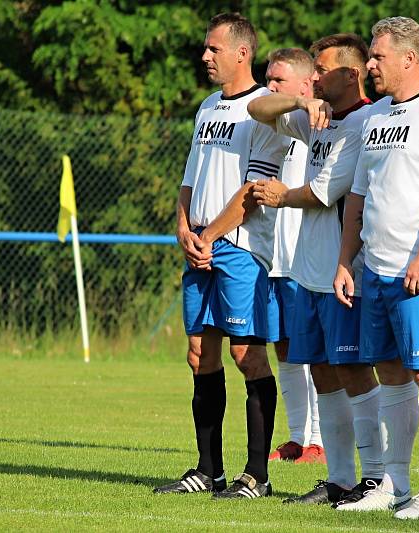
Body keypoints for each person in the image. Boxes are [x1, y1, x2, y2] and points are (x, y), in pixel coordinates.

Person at [333, 16, 419, 519]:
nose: (369, 64)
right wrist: (348, 260)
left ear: (409, 59)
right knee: (390, 376)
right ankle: (394, 483)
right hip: (376, 270)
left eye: (377, 56)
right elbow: (358, 197)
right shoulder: (374, 120)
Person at [153, 12, 289, 499]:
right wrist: (182, 227)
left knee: (247, 355)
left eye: (214, 49)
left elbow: (254, 190)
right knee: (199, 356)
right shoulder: (208, 106)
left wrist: (208, 235)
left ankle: (258, 475)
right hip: (201, 246)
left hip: (239, 249)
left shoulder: (264, 109)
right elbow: (190, 177)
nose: (205, 56)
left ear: (242, 53)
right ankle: (207, 470)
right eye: (205, 48)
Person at [248, 33, 386, 507]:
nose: (315, 78)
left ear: (351, 74)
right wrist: (300, 104)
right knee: (323, 373)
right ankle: (340, 479)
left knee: (352, 370)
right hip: (307, 272)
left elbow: (325, 192)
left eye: (322, 71)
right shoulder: (321, 118)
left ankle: (376, 477)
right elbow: (257, 111)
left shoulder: (367, 122)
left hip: (342, 272)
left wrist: (279, 195)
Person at [260, 48, 325, 465]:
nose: (270, 87)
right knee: (284, 348)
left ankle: (318, 441)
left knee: (312, 352)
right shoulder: (276, 120)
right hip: (274, 260)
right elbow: (256, 104)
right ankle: (298, 435)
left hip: (307, 263)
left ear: (306, 85)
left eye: (278, 81)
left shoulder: (318, 124)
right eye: (268, 79)